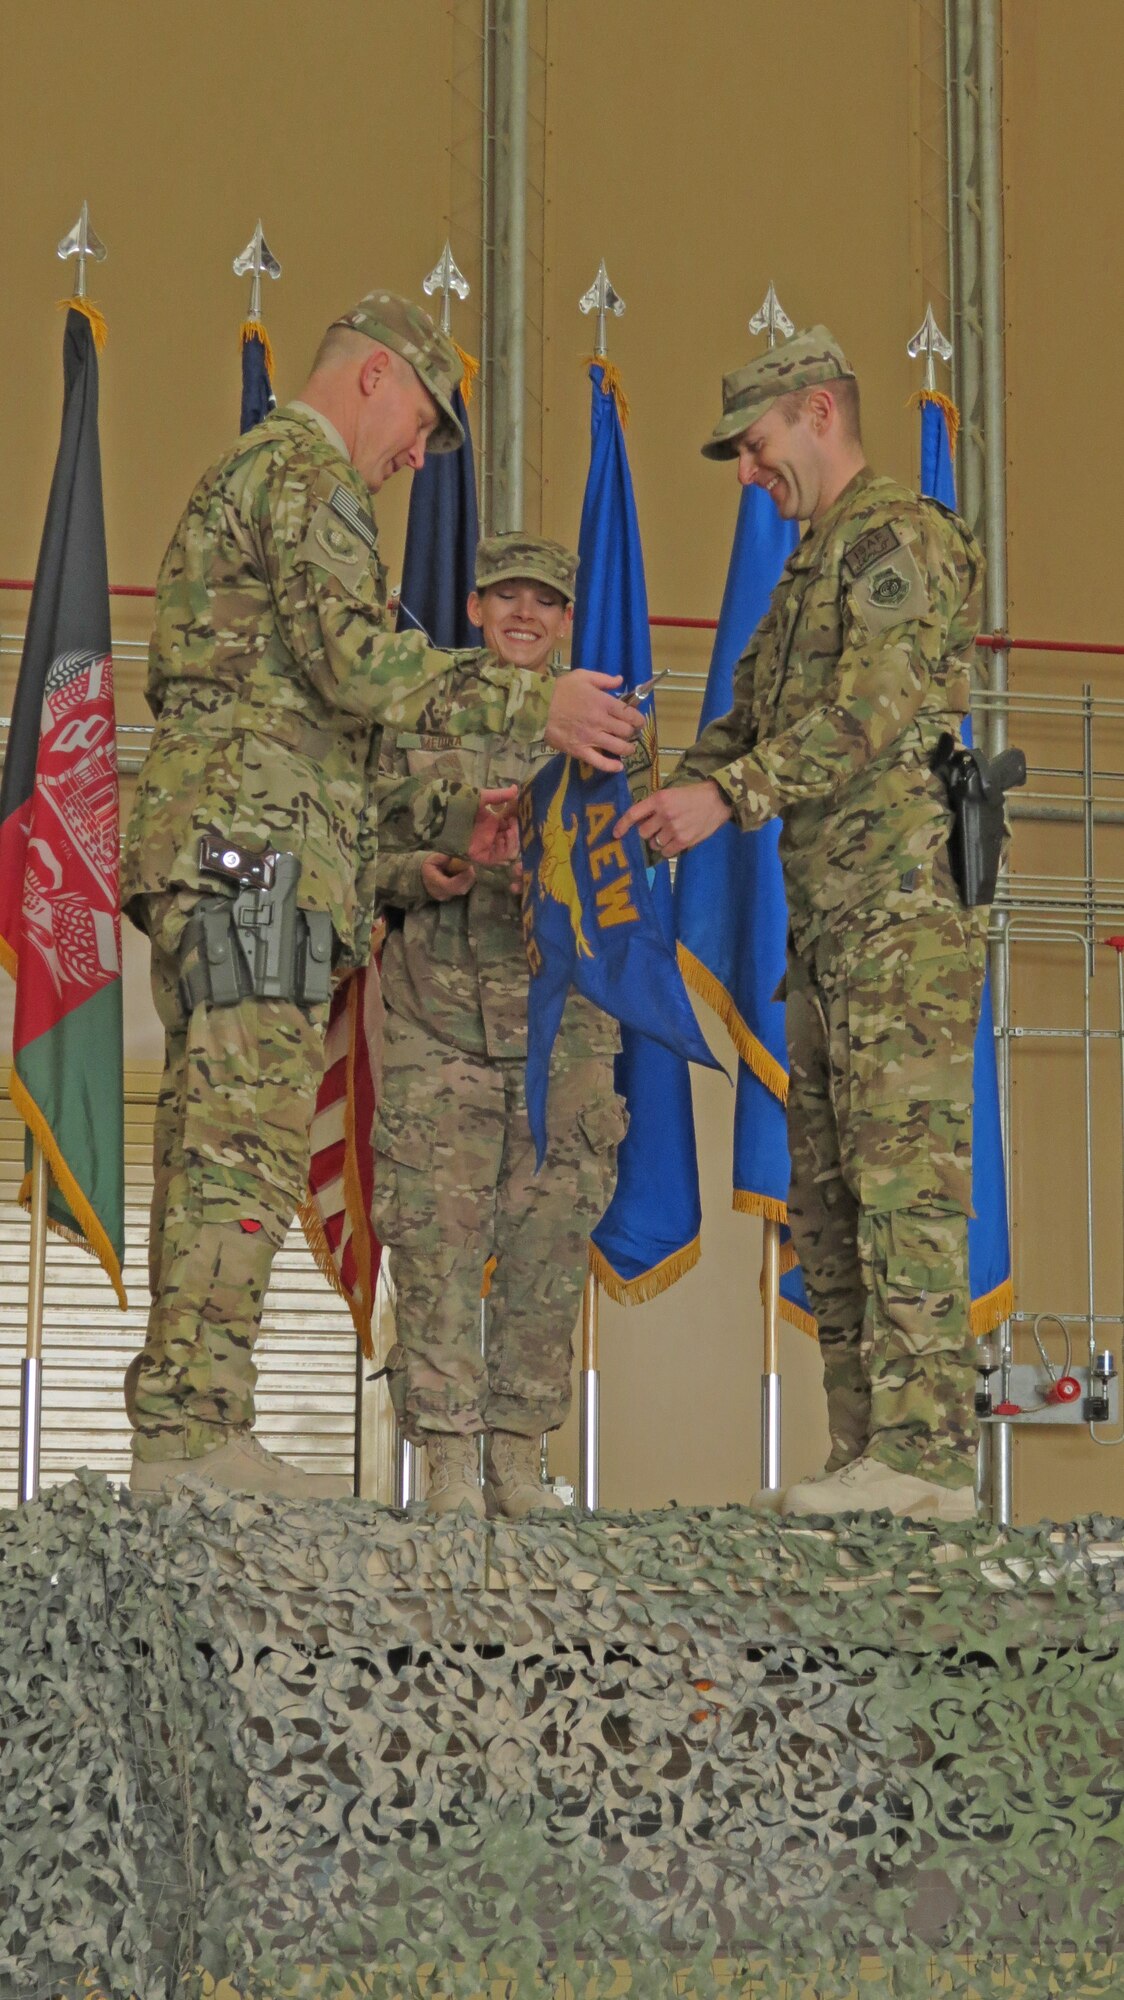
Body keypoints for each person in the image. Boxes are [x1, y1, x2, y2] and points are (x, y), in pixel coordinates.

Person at [122, 294, 641, 1501]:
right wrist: (533, 703)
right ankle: (196, 1435)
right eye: (419, 418)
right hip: (254, 856)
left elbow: (311, 716)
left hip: (246, 844)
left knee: (215, 1140)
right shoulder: (305, 479)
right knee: (237, 1148)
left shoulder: (261, 478)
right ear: (370, 379)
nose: (419, 454)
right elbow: (355, 665)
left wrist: (459, 823)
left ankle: (190, 1421)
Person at [616, 327, 988, 1523]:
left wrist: (721, 797)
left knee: (899, 1194)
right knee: (826, 1209)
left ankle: (926, 1457)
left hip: (898, 927)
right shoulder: (799, 577)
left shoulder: (898, 541)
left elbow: (869, 710)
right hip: (825, 933)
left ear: (819, 411)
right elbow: (739, 724)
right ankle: (866, 1457)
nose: (745, 472)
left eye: (755, 441)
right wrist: (659, 784)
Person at [372, 533, 638, 1518]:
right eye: (504, 598)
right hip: (433, 1021)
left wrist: (567, 871)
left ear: (566, 618)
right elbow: (356, 850)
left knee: (544, 1244)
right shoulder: (409, 711)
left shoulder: (610, 727)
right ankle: (445, 1466)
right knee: (433, 1243)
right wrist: (421, 870)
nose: (523, 615)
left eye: (543, 600)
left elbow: (644, 876)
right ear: (475, 607)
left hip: (561, 1029)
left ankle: (517, 1459)